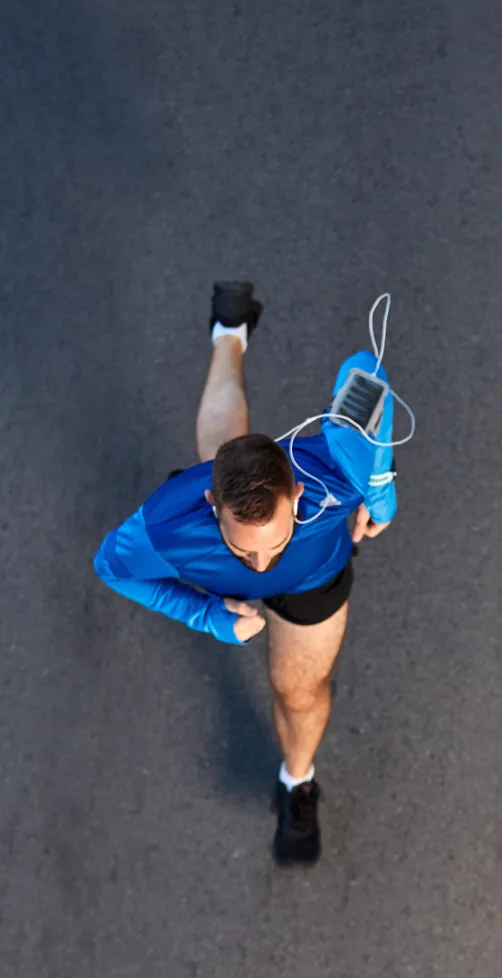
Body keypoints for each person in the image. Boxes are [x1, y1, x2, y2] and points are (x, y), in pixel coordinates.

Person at [93, 282, 398, 866]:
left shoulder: (334, 468)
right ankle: (229, 335)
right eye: (245, 551)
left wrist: (381, 498)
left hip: (316, 581)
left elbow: (367, 373)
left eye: (274, 542)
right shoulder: (165, 524)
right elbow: (112, 568)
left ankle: (297, 782)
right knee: (222, 446)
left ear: (300, 493)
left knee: (297, 688)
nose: (262, 564)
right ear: (214, 506)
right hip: (224, 540)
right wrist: (204, 612)